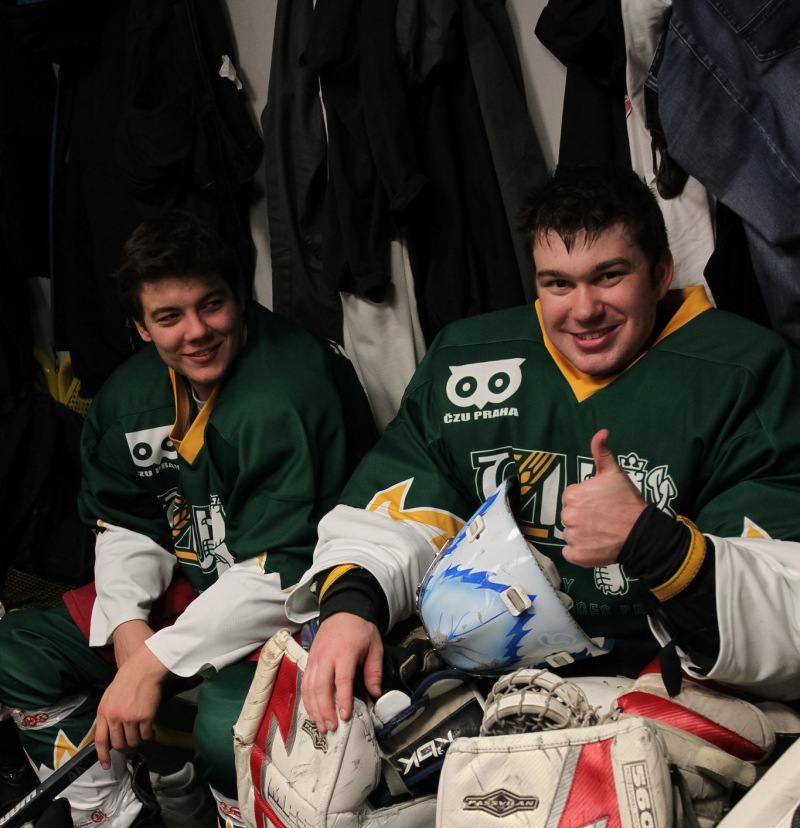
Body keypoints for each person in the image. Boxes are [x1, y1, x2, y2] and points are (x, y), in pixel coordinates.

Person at [0, 211, 373, 828]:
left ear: (238, 296)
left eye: (211, 305)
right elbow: (125, 522)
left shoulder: (291, 384)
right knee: (18, 655)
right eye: (168, 316)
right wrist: (131, 633)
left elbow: (285, 568)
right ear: (140, 326)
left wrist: (154, 663)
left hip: (303, 600)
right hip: (191, 593)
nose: (195, 331)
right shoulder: (133, 392)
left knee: (223, 731)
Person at [288, 162, 800, 722]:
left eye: (609, 276)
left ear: (660, 274)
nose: (584, 310)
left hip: (668, 677)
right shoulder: (467, 359)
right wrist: (351, 605)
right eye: (559, 283)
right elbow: (406, 505)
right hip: (494, 671)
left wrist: (652, 541)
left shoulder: (744, 371)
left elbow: (785, 605)